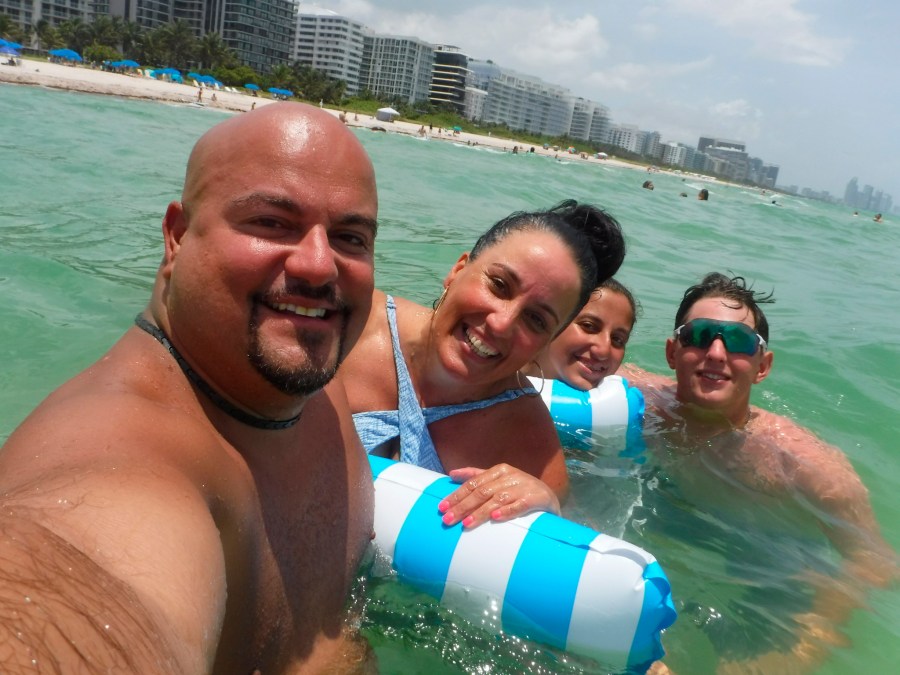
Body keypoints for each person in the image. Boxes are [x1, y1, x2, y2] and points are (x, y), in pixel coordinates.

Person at [0, 103, 380, 673]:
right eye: (271, 223)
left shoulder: (310, 369)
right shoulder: (124, 453)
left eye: (350, 237)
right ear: (177, 237)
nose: (319, 266)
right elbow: (81, 576)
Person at [620, 272, 896, 672]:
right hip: (674, 519)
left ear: (762, 366)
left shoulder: (800, 464)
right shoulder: (637, 395)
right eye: (699, 335)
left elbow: (873, 562)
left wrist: (807, 641)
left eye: (738, 342)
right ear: (672, 352)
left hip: (766, 562)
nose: (716, 352)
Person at [339, 201, 626, 528]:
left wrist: (548, 509)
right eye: (499, 285)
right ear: (458, 269)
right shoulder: (350, 325)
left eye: (535, 319)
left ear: (547, 341)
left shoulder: (530, 446)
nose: (501, 324)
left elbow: (573, 549)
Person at [523, 278, 637, 391]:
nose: (604, 351)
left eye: (617, 339)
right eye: (588, 326)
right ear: (547, 322)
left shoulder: (627, 386)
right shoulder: (506, 375)